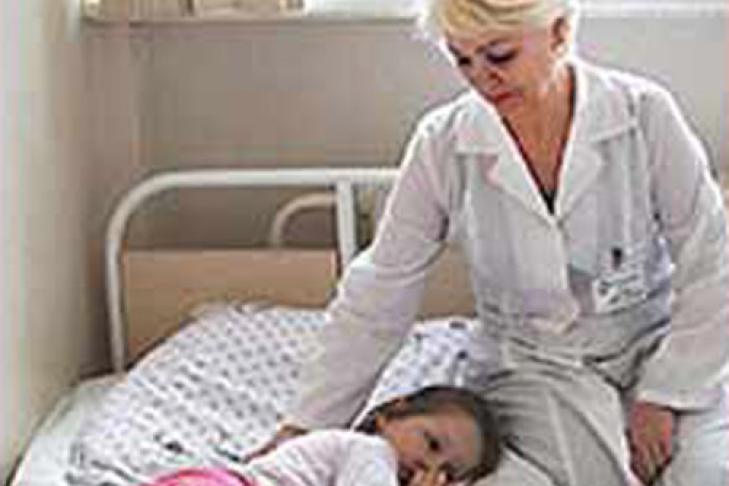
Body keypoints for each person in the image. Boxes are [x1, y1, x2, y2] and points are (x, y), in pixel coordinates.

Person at [261, 0, 729, 485]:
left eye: (500, 56)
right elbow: (380, 292)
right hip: (533, 367)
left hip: (655, 345)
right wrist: (305, 426)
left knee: (706, 475)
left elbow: (711, 260)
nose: (482, 79)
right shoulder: (443, 143)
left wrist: (665, 395)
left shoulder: (643, 115)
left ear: (559, 32)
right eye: (462, 60)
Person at [146, 386, 502, 486]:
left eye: (448, 473)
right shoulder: (372, 451)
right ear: (390, 415)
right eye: (432, 444)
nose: (429, 467)